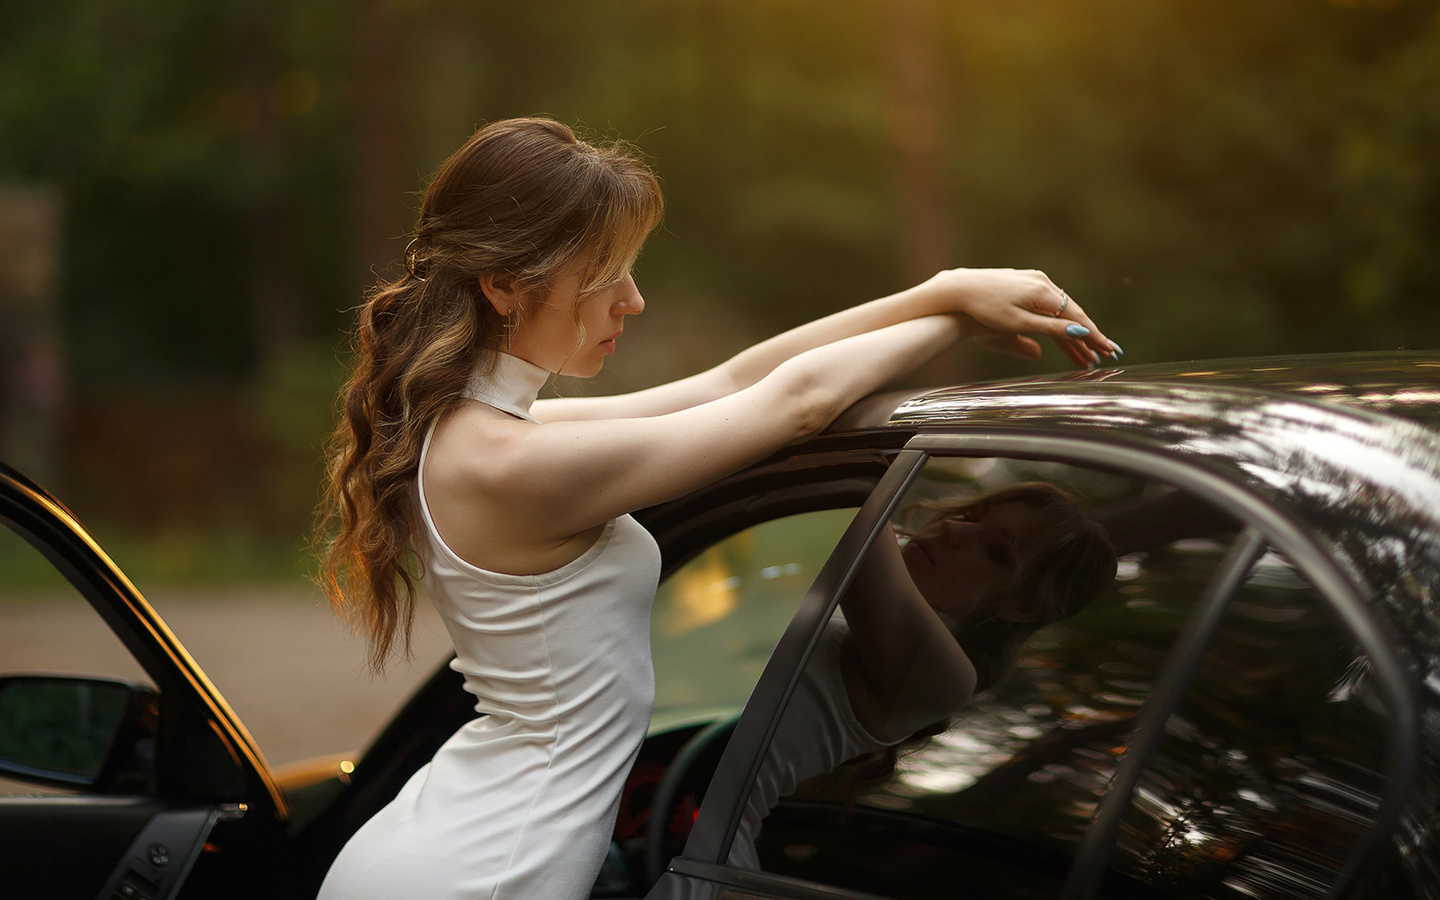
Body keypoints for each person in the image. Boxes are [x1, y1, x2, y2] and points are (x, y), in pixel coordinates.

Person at [314, 117, 1121, 900]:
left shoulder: (483, 434)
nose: (632, 300)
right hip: (483, 874)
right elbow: (797, 404)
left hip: (441, 843)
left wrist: (939, 292)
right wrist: (955, 317)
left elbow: (731, 385)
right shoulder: (511, 463)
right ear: (502, 285)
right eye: (606, 271)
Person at [728, 483, 1118, 869]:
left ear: (1020, 606)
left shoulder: (946, 680)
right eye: (968, 516)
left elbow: (851, 493)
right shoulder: (826, 592)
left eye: (995, 550)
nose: (952, 529)